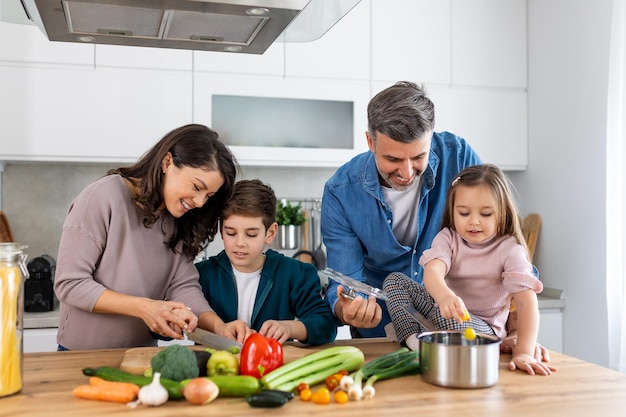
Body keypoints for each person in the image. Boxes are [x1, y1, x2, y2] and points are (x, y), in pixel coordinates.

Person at [54, 124, 238, 350]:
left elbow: (183, 285)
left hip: (140, 355)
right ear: (167, 162)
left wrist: (218, 327)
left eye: (208, 195)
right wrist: (145, 307)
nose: (200, 202)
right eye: (196, 187)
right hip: (80, 354)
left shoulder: (178, 219)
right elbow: (70, 283)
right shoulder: (103, 197)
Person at [321, 81, 481, 338]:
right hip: (381, 330)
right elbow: (344, 280)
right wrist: (347, 308)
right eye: (393, 159)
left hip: (457, 322)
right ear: (370, 142)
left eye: (419, 157)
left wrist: (516, 325)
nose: (407, 173)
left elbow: (503, 241)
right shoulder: (341, 192)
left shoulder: (459, 158)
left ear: (430, 136)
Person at [383, 164, 555, 375]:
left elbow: (527, 304)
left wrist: (524, 352)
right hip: (441, 312)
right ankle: (417, 345)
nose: (474, 222)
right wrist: (445, 297)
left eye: (485, 214)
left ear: (501, 214)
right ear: (452, 211)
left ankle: (433, 340)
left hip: (482, 329)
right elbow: (433, 272)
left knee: (451, 319)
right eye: (464, 213)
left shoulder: (509, 250)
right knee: (394, 281)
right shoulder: (448, 238)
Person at [195, 179, 337, 346]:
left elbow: (326, 325)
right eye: (231, 233)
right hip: (216, 368)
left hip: (273, 365)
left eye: (251, 234)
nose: (240, 243)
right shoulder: (202, 274)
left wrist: (290, 328)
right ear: (221, 231)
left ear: (270, 233)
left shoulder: (293, 273)